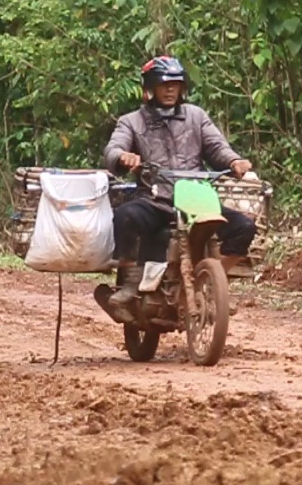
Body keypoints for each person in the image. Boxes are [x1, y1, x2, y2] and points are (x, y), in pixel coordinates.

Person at [101, 56, 257, 313]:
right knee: (125, 216)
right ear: (150, 88)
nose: (170, 89)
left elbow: (217, 147)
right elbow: (113, 148)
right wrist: (122, 156)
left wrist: (234, 161)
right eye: (164, 84)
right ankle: (130, 281)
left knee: (244, 227)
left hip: (195, 197)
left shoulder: (196, 116)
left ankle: (212, 283)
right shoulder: (131, 121)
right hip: (154, 197)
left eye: (175, 84)